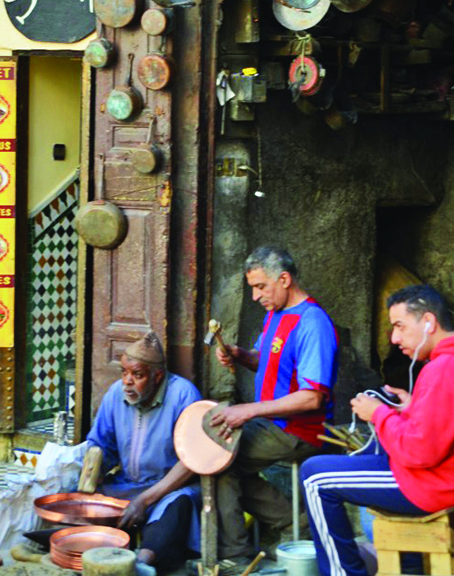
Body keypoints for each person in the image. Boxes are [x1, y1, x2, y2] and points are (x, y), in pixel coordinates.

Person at [300, 284, 454, 576]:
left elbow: (418, 451)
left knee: (315, 475)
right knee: (368, 457)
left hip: (438, 486)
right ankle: (409, 566)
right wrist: (411, 407)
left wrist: (378, 414)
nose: (394, 338)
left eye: (399, 326)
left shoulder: (444, 369)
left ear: (428, 322)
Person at [211, 245, 339, 563]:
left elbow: (312, 396)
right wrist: (240, 355)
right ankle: (293, 521)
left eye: (260, 287)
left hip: (300, 429)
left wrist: (249, 409)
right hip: (273, 422)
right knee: (218, 456)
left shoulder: (313, 323)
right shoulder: (275, 314)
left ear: (283, 279)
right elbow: (267, 362)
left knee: (220, 464)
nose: (255, 296)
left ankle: (236, 555)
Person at [87, 333, 202, 571]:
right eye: (124, 373)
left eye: (137, 375)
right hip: (127, 485)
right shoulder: (115, 394)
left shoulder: (183, 395)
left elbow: (193, 459)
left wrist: (146, 500)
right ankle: (90, 557)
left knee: (179, 506)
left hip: (169, 487)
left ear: (157, 376)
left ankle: (140, 565)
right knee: (85, 502)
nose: (127, 381)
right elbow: (100, 444)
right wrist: (92, 474)